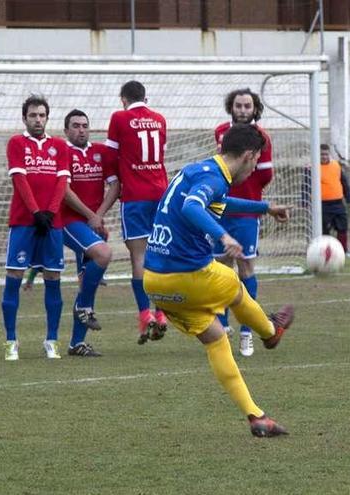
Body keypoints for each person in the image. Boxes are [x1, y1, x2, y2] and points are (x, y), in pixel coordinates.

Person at [142, 123, 294, 437]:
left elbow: (219, 204)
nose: (254, 170)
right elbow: (192, 206)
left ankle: (257, 417)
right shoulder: (213, 178)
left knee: (215, 338)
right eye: (256, 162)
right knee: (234, 284)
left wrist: (266, 207)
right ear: (250, 155)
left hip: (154, 282)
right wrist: (223, 236)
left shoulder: (199, 171)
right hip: (188, 275)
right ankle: (270, 331)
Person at [1, 94, 71, 360]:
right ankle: (10, 341)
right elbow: (20, 180)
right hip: (23, 221)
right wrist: (35, 213)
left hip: (52, 224)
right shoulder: (16, 143)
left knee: (53, 278)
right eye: (33, 115)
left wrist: (50, 214)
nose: (38, 119)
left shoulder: (59, 146)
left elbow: (61, 183)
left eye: (42, 115)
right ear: (25, 118)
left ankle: (51, 340)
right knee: (14, 277)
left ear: (47, 117)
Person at [105, 80, 169, 344]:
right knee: (162, 255)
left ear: (123, 99)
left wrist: (113, 180)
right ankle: (162, 313)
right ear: (146, 96)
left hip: (135, 197)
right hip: (160, 194)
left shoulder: (119, 118)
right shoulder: (159, 119)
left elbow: (110, 157)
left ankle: (145, 314)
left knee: (139, 257)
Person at [212, 88, 274, 357]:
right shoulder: (220, 131)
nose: (243, 110)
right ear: (231, 107)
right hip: (220, 209)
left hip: (246, 213)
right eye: (238, 105)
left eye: (247, 106)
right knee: (220, 267)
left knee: (246, 266)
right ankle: (223, 326)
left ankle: (247, 332)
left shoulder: (263, 137)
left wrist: (246, 192)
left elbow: (265, 175)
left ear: (255, 108)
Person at [61, 109, 121, 356]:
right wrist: (91, 216)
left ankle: (76, 343)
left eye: (84, 125)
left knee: (89, 281)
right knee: (104, 254)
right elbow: (65, 192)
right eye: (75, 126)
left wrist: (99, 215)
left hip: (92, 222)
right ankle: (84, 306)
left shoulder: (101, 152)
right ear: (66, 130)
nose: (81, 129)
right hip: (68, 221)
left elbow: (115, 185)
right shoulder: (61, 151)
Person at [318, 144, 350, 256]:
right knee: (325, 230)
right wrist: (304, 200)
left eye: (325, 154)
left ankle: (343, 251)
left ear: (329, 154)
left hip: (338, 203)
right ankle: (326, 252)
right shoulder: (312, 167)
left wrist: (349, 197)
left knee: (342, 227)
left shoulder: (336, 166)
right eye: (321, 154)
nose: (324, 157)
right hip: (322, 204)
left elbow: (344, 182)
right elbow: (305, 185)